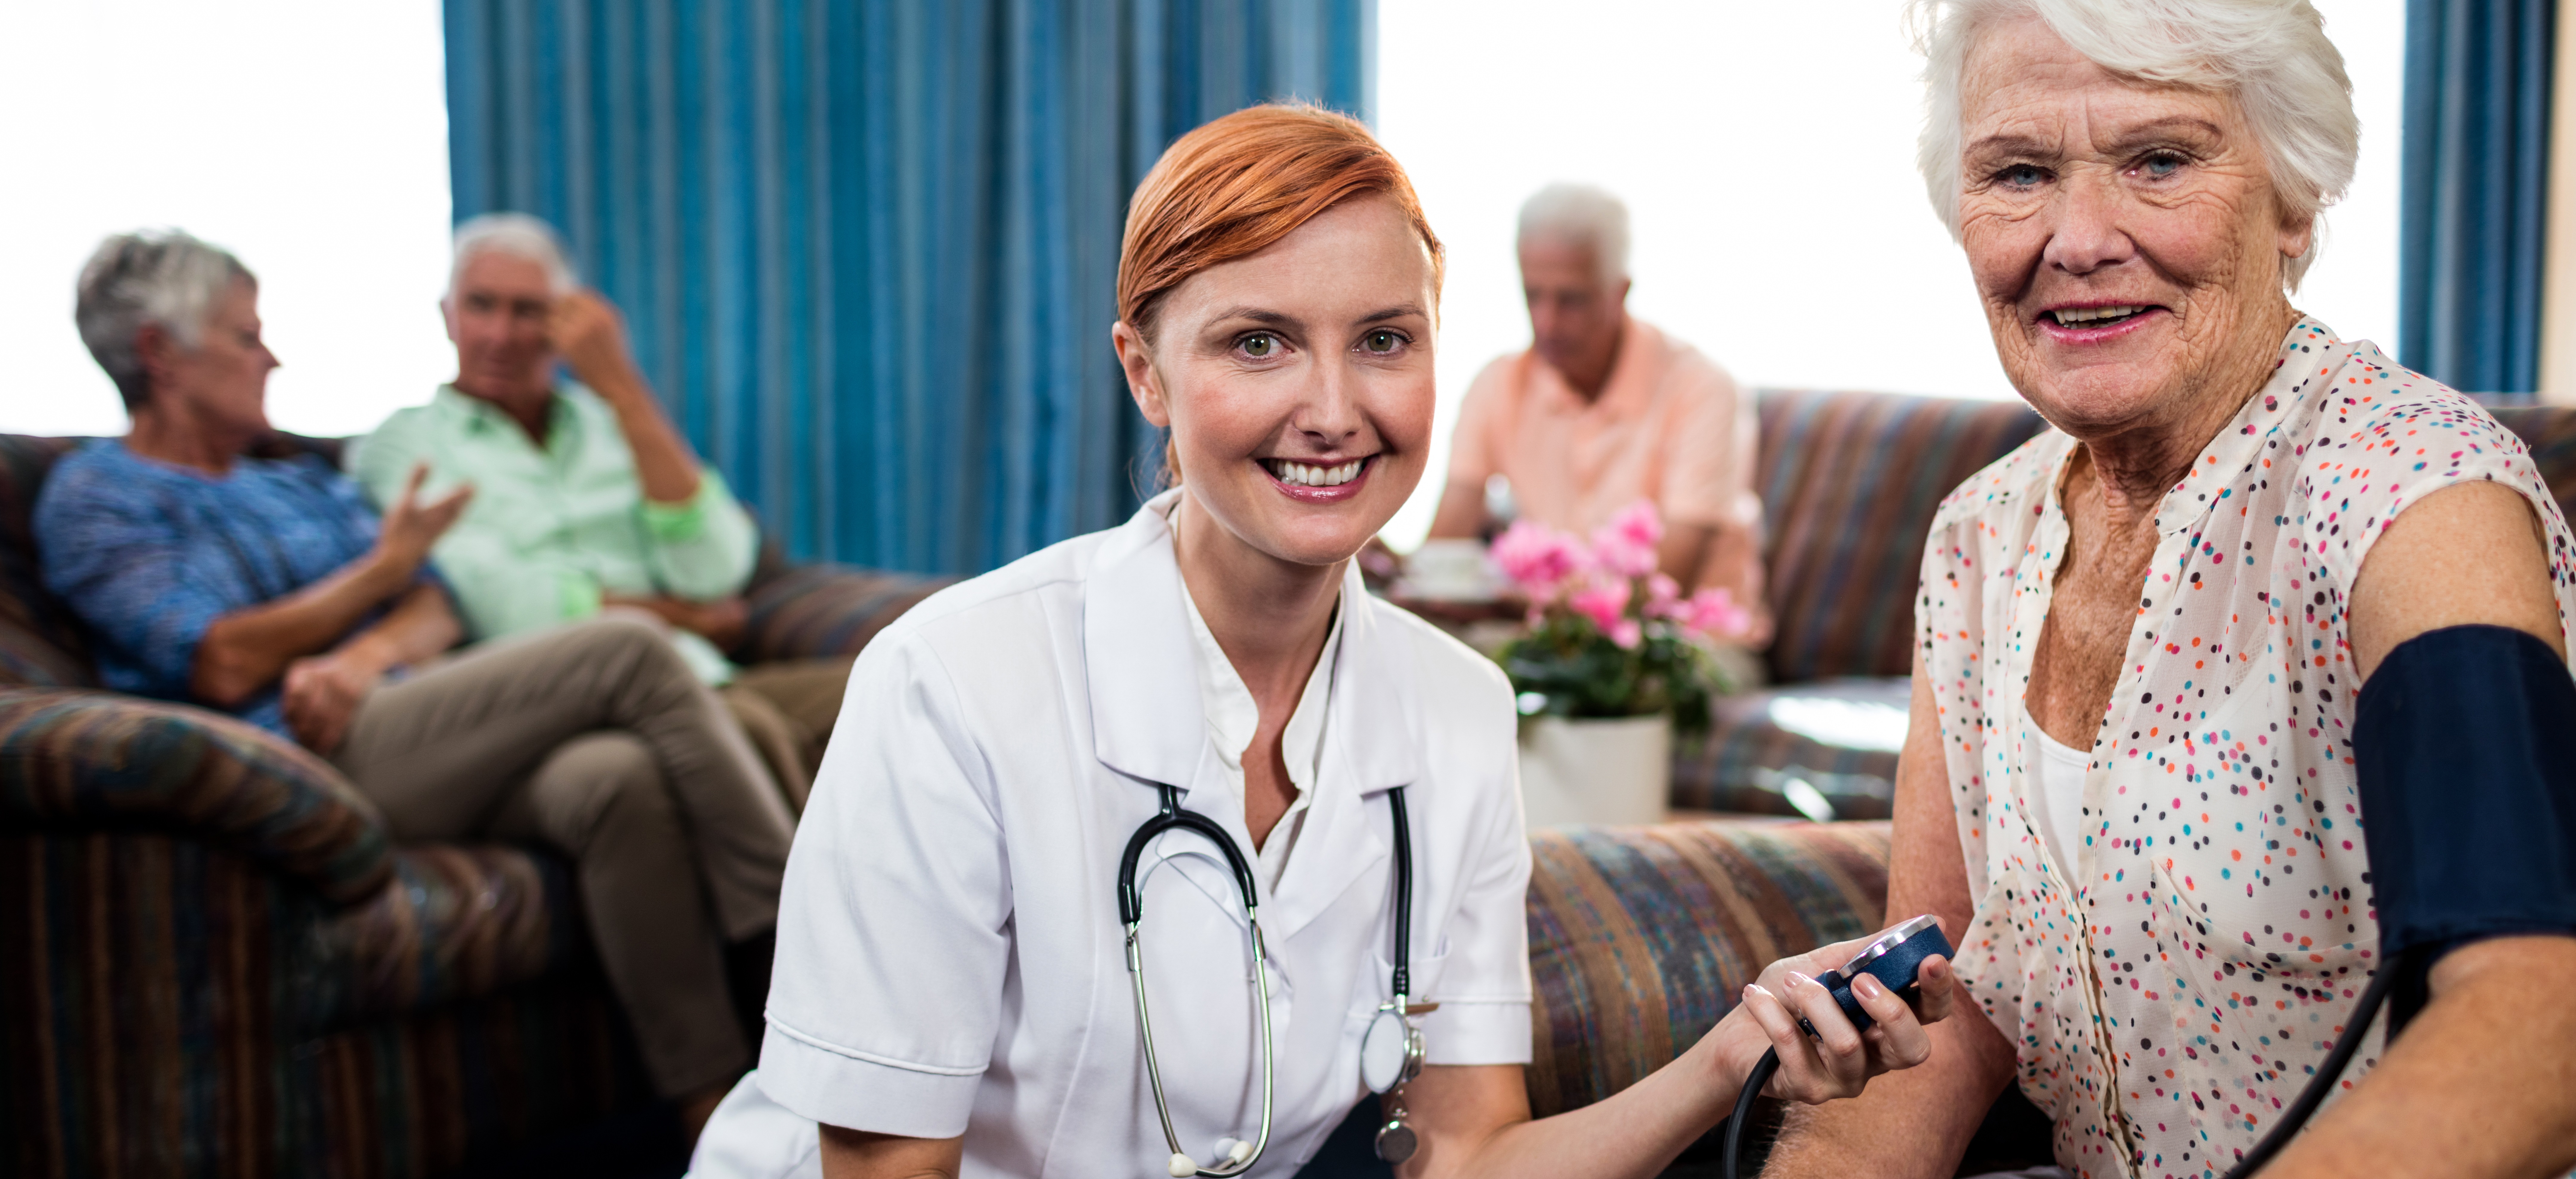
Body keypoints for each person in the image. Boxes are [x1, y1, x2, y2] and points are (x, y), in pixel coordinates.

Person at [686, 105, 1955, 1179]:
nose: (1335, 412)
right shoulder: (953, 683)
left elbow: (1465, 1156)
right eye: (1258, 342)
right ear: (1145, 374)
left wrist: (1736, 1051)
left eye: (1384, 341)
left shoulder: (1456, 709)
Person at [1763, 4, 2576, 1178]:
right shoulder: (1979, 543)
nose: (2080, 238)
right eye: (2020, 173)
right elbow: (1948, 1002)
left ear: (2295, 199)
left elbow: (2538, 1015)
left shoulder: (2414, 499)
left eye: (2159, 160)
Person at [34, 230, 795, 1142]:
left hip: (401, 720)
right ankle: (815, 942)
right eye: (245, 337)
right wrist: (372, 585)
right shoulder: (99, 496)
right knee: (626, 647)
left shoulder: (292, 480)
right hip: (300, 761)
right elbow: (222, 659)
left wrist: (363, 653)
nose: (270, 356)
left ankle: (723, 1120)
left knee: (614, 781)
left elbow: (432, 604)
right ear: (162, 353)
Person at [348, 213, 843, 807]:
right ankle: (803, 903)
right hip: (567, 698)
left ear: (563, 323)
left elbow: (717, 569)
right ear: (447, 315)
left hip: (708, 674)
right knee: (750, 732)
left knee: (890, 695)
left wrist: (622, 387)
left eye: (527, 312)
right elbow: (501, 603)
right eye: (480, 306)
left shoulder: (612, 423)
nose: (500, 336)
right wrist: (682, 617)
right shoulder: (402, 445)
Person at [1425, 183, 1765, 640]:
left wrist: (1522, 602)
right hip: (1550, 635)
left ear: (1619, 292)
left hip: (1683, 646)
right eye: (1533, 295)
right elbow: (1445, 545)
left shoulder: (1702, 388)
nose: (1546, 322)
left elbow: (1664, 583)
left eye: (1571, 300)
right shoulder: (1498, 384)